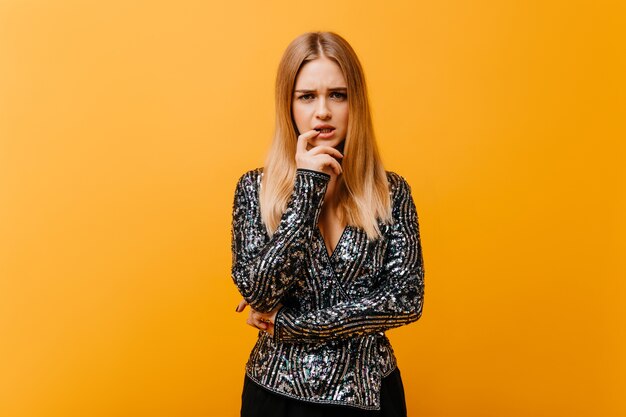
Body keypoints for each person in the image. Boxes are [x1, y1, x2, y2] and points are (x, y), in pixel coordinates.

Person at [230, 31, 425, 417]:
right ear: (288, 104)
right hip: (277, 398)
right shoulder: (255, 188)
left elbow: (406, 300)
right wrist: (307, 187)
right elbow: (260, 292)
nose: (323, 111)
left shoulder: (391, 192)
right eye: (307, 96)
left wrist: (296, 326)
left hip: (371, 394)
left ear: (357, 102)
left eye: (338, 95)